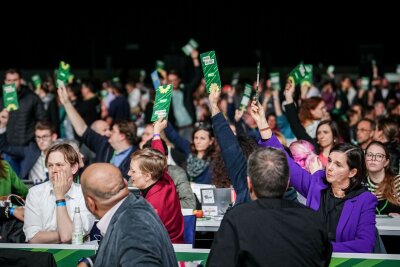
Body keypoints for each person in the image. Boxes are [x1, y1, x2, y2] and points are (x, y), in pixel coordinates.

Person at [251, 96, 378, 253]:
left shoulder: (365, 199)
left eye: (338, 165)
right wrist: (262, 124)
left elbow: (365, 245)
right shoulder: (317, 184)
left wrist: (322, 248)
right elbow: (285, 161)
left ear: (352, 172)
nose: (329, 167)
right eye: (330, 161)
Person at [207, 148, 332, 267]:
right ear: (287, 181)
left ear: (249, 183)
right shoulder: (313, 219)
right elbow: (323, 259)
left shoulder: (236, 219)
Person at [78, 163, 178, 267]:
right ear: (125, 183)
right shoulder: (128, 209)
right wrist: (89, 262)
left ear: (91, 204)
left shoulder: (133, 225)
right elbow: (120, 253)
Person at [23, 143, 95, 243]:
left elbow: (68, 237)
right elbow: (33, 239)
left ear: (73, 168)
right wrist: (66, 233)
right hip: (43, 255)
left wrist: (60, 196)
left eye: (59, 165)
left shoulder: (84, 194)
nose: (54, 170)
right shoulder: (35, 193)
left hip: (77, 256)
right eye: (50, 165)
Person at [128, 123, 184, 243]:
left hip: (167, 252)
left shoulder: (153, 205)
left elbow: (144, 238)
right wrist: (157, 132)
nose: (128, 173)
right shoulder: (161, 174)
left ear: (148, 176)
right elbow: (158, 151)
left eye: (133, 171)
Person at [0, 109, 58, 183]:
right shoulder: (31, 150)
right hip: (32, 188)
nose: (41, 141)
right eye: (38, 137)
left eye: (44, 137)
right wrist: (3, 125)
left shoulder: (61, 153)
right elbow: (5, 147)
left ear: (54, 137)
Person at [365, 141, 400, 215]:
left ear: (386, 162)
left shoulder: (397, 182)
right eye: (369, 155)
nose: (373, 159)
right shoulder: (359, 184)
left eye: (379, 156)